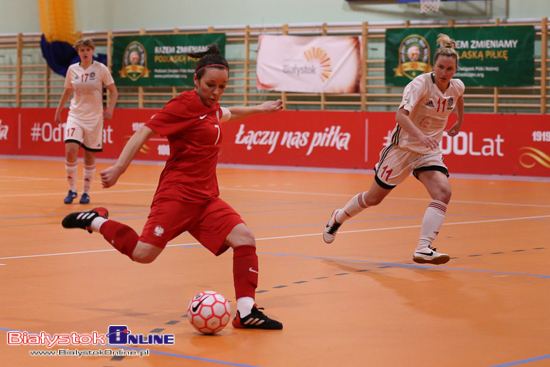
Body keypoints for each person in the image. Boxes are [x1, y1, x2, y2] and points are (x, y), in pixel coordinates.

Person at [62, 44, 284, 330]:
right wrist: (119, 168)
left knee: (245, 238)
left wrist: (259, 109)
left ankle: (245, 312)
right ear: (196, 80)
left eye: (222, 86)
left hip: (205, 199)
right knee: (143, 255)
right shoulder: (183, 105)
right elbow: (144, 131)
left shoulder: (212, 106)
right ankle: (95, 221)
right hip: (177, 196)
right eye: (210, 86)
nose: (216, 92)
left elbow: (227, 113)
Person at [323, 33, 465, 265]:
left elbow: (458, 96)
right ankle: (337, 217)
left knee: (443, 193)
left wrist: (459, 121)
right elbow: (400, 115)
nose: (444, 73)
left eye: (449, 69)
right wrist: (420, 135)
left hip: (428, 153)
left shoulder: (457, 86)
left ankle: (423, 248)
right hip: (403, 149)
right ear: (434, 66)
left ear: (455, 69)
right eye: (440, 67)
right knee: (373, 198)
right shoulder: (419, 84)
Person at [55, 38, 119, 205]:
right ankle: (71, 190)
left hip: (95, 118)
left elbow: (113, 91)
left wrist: (110, 109)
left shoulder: (100, 69)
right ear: (78, 52)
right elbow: (68, 91)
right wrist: (58, 110)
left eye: (87, 50)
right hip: (75, 115)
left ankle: (86, 192)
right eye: (82, 50)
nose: (85, 53)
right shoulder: (72, 69)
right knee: (71, 149)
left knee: (89, 157)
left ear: (92, 51)